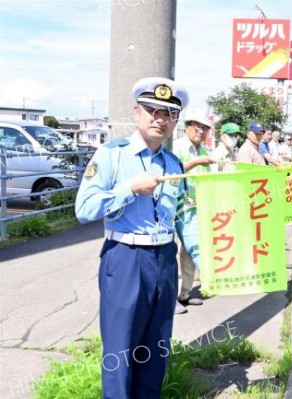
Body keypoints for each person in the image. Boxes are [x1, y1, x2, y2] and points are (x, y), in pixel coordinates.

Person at [75, 76, 199, 399]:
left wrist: (207, 261)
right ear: (136, 112)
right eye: (152, 110)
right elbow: (84, 207)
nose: (160, 119)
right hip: (126, 258)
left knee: (156, 352)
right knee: (120, 355)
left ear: (176, 120)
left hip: (164, 262)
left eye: (169, 113)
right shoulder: (112, 155)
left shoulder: (174, 165)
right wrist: (129, 189)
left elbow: (185, 218)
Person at [171, 109, 214, 314]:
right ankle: (170, 300)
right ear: (187, 126)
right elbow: (171, 173)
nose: (200, 130)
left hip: (198, 206)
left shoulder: (204, 150)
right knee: (182, 250)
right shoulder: (177, 146)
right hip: (178, 206)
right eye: (196, 126)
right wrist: (196, 162)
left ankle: (184, 294)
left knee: (188, 252)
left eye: (204, 127)